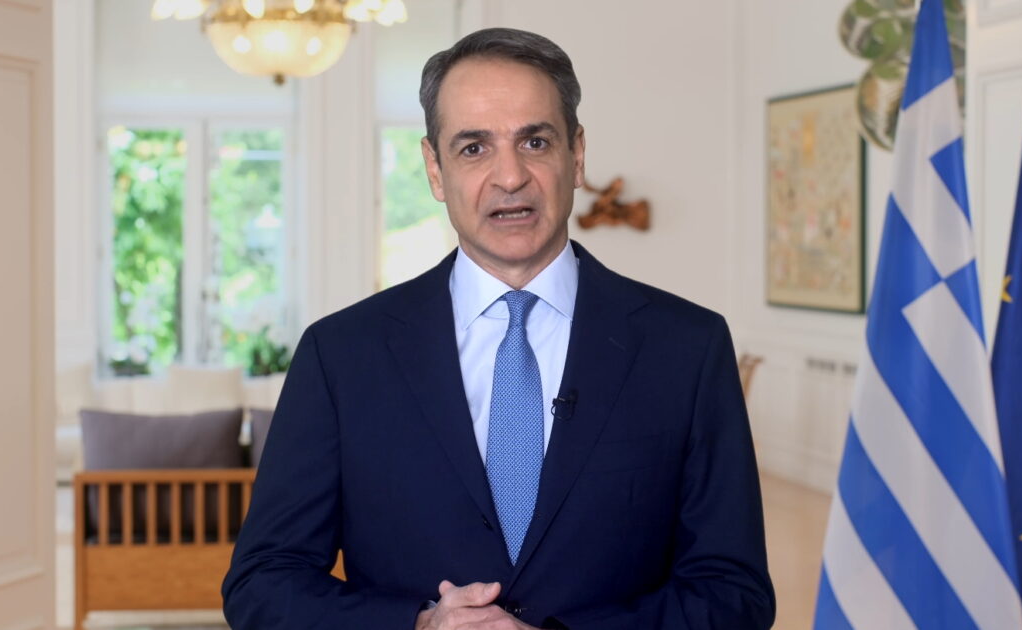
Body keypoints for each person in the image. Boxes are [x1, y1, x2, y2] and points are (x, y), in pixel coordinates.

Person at [222, 27, 775, 630]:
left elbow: (734, 593)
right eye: (473, 148)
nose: (510, 177)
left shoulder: (687, 348)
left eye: (535, 141)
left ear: (577, 155)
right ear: (435, 169)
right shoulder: (341, 356)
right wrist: (418, 625)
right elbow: (262, 583)